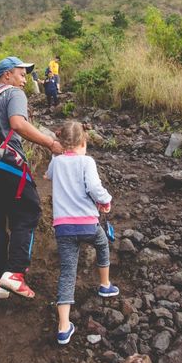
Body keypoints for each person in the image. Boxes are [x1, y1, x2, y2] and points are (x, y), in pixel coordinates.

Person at [0, 56, 64, 300]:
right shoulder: (13, 93)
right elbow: (18, 124)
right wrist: (50, 143)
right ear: (7, 75)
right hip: (9, 165)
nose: (25, 80)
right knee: (29, 211)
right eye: (21, 74)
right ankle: (15, 273)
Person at [45, 121, 118, 345]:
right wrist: (105, 201)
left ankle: (64, 326)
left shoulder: (56, 162)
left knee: (68, 271)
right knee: (102, 243)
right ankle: (105, 285)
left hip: (64, 228)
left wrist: (54, 155)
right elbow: (94, 188)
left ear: (62, 143)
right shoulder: (87, 161)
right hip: (87, 224)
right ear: (83, 143)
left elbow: (48, 176)